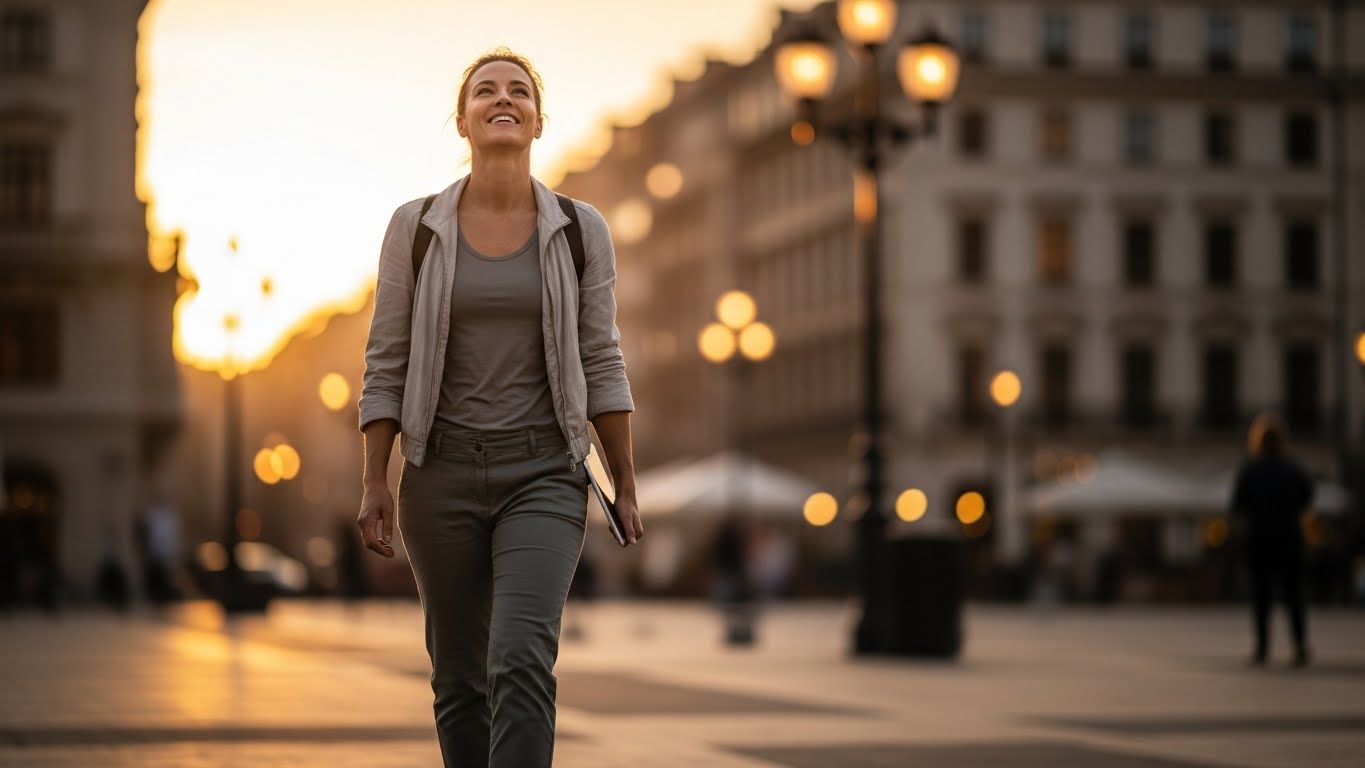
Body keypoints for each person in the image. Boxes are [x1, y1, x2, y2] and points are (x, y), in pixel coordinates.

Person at [355, 48, 642, 768]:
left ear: (539, 122)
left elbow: (601, 358)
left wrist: (625, 482)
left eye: (518, 90)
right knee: (457, 679)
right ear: (462, 120)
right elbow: (385, 360)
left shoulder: (579, 230)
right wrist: (373, 480)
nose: (501, 98)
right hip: (439, 474)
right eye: (485, 91)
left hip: (543, 472)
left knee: (518, 659)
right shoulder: (415, 229)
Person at [1230, 412, 1313, 668]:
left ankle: (1262, 648)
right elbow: (1307, 498)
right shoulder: (1292, 469)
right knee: (1293, 596)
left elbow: (1238, 505)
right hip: (1289, 539)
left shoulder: (1251, 471)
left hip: (1260, 540)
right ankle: (1299, 646)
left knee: (1261, 597)